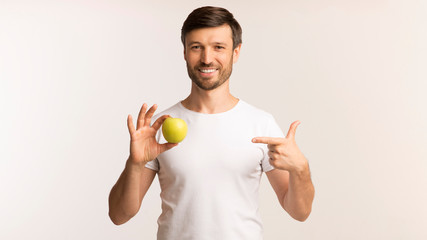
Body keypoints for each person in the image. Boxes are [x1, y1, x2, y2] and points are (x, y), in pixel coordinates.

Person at [108, 6, 315, 240]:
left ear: (235, 53)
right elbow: (119, 215)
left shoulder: (261, 124)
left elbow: (300, 211)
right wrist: (134, 164)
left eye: (219, 47)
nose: (207, 59)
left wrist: (301, 169)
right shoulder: (158, 126)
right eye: (196, 47)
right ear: (185, 52)